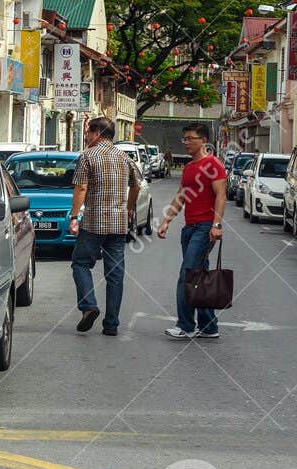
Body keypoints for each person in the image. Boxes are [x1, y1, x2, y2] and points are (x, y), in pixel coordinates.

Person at [67, 116, 140, 336]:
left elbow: (81, 188)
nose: (87, 136)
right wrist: (129, 208)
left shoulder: (88, 156)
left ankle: (89, 306)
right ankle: (111, 324)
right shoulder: (124, 157)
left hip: (93, 223)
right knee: (115, 274)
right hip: (118, 225)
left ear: (97, 133)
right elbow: (136, 185)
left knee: (80, 264)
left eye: (89, 131)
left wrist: (73, 217)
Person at [156, 121, 226, 340]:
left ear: (203, 140)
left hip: (205, 227)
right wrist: (167, 220)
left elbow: (221, 196)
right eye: (184, 139)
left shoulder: (213, 165)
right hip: (189, 228)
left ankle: (185, 325)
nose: (185, 142)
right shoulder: (188, 167)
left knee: (187, 274)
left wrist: (216, 225)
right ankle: (209, 326)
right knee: (199, 276)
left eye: (190, 138)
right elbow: (181, 196)